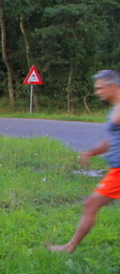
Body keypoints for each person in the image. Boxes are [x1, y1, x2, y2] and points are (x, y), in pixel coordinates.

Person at [47, 69, 120, 253]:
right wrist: (91, 153)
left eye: (100, 88)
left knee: (91, 203)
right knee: (91, 204)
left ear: (112, 86)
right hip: (116, 169)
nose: (97, 92)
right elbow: (111, 140)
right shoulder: (115, 107)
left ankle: (70, 247)